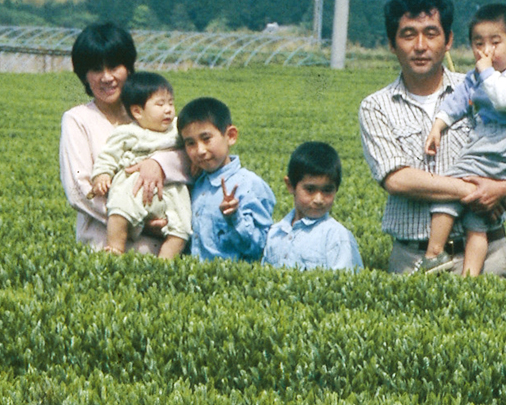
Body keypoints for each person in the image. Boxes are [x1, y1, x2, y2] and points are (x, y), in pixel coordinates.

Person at [357, 0, 506, 277]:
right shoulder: (375, 107)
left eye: (431, 33)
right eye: (407, 34)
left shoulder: (480, 89)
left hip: (487, 252)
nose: (420, 45)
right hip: (413, 260)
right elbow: (397, 179)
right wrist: (474, 192)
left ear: (449, 40)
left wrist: (502, 189)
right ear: (392, 44)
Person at [421, 3, 506, 276]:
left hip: (505, 144)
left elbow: (503, 99)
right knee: (478, 219)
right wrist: (439, 125)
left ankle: (434, 253)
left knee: (451, 187)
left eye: (495, 43)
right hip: (491, 143)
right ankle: (470, 278)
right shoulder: (476, 77)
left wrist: (486, 71)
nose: (486, 51)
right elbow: (458, 102)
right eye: (478, 43)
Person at [59, 22, 189, 253]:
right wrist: (137, 222)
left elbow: (189, 158)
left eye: (114, 67)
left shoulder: (152, 115)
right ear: (84, 76)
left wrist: (158, 164)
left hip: (163, 243)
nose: (107, 77)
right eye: (96, 69)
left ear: (129, 68)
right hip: (104, 243)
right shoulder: (77, 120)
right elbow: (80, 191)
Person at [89, 71, 193, 258]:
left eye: (170, 103)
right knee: (119, 210)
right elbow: (108, 155)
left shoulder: (177, 129)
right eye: (160, 104)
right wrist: (102, 174)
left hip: (171, 190)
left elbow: (190, 148)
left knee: (181, 228)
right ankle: (115, 249)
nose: (168, 109)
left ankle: (165, 262)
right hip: (133, 185)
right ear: (137, 111)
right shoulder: (127, 133)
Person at [177, 95, 275, 263]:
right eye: (190, 143)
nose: (200, 150)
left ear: (230, 135)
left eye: (206, 139)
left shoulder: (250, 185)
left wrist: (234, 218)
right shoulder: (197, 183)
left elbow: (260, 247)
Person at [263, 141, 364, 272]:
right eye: (310, 189)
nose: (318, 199)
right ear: (290, 186)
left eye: (327, 190)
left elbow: (345, 283)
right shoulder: (275, 233)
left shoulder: (336, 236)